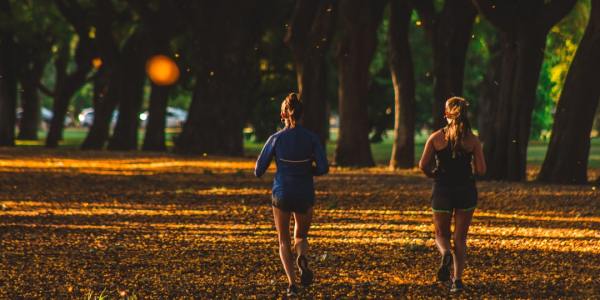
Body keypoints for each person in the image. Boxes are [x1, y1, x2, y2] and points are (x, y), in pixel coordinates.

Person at [254, 92, 329, 297]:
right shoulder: (312, 138)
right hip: (304, 191)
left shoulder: (275, 139)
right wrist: (307, 170)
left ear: (282, 115)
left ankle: (292, 284)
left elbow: (258, 170)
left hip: (282, 192)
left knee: (283, 240)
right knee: (301, 235)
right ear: (301, 115)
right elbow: (323, 167)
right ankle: (302, 258)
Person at [418, 97, 486, 293]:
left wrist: (433, 174)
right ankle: (457, 281)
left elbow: (423, 165)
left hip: (442, 190)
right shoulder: (472, 139)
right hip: (466, 190)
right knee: (460, 238)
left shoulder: (436, 138)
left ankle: (445, 253)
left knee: (441, 234)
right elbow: (481, 170)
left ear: (447, 114)